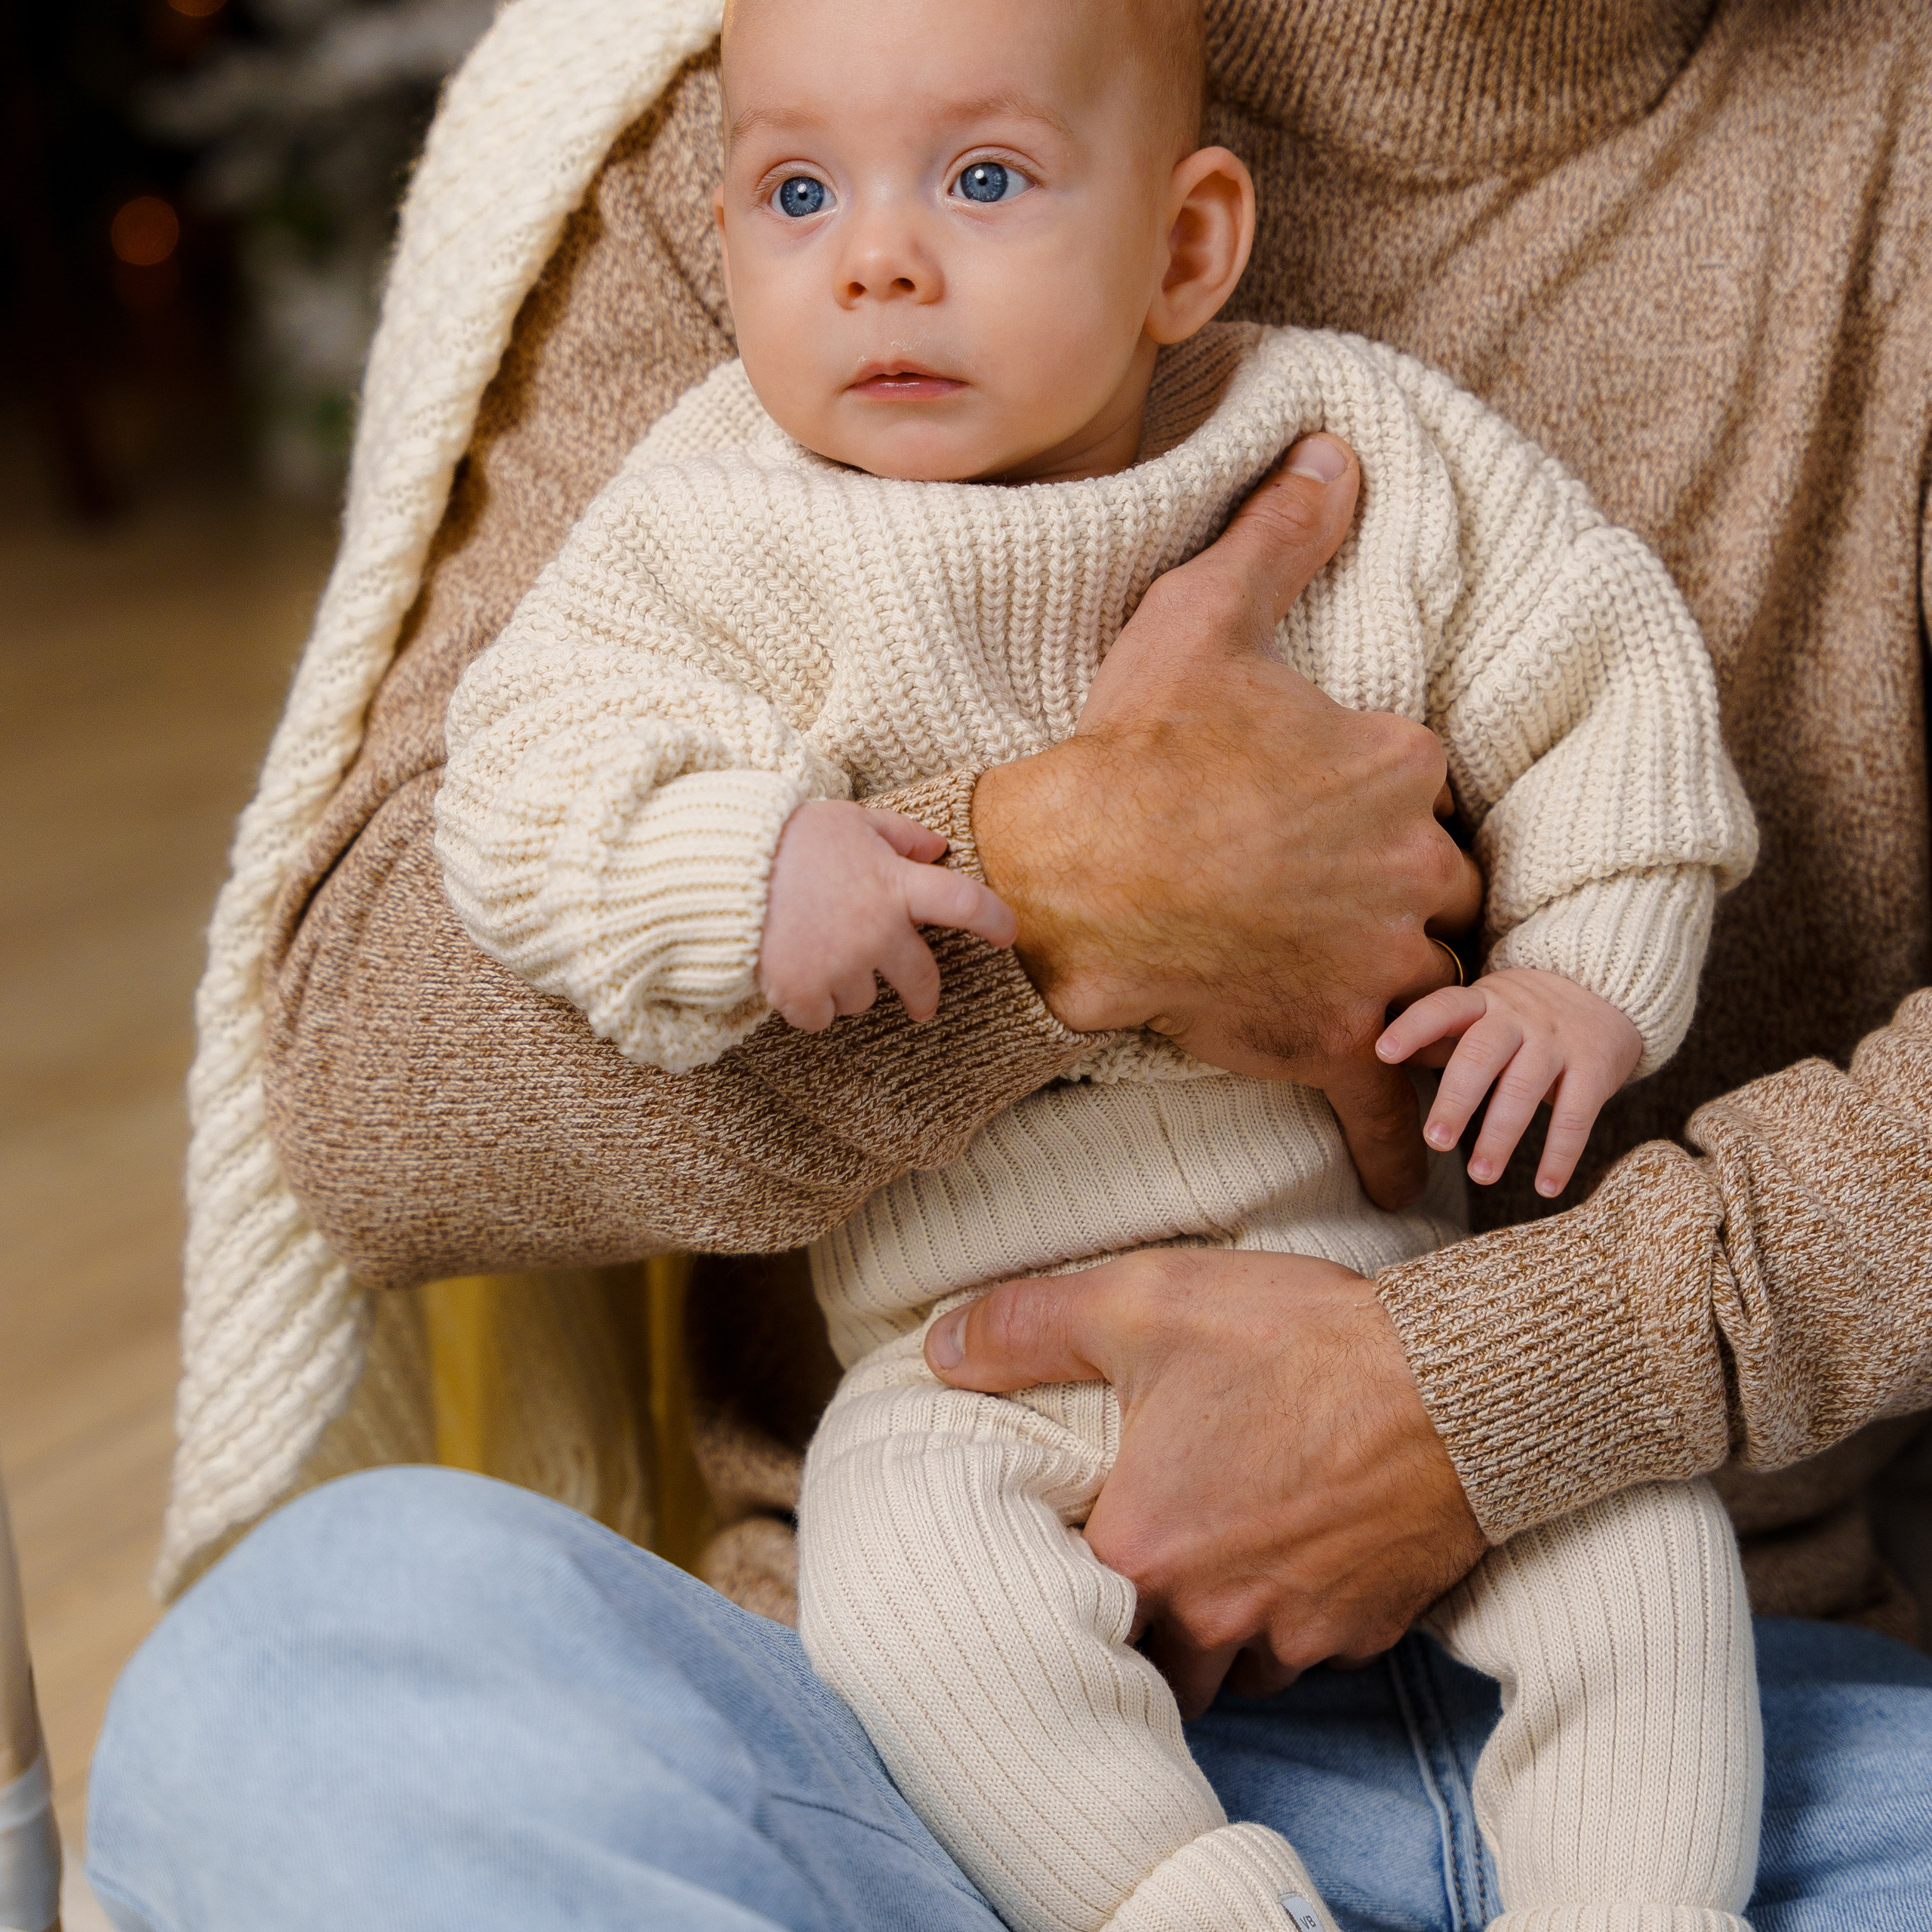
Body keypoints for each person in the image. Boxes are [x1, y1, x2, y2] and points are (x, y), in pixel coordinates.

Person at [87, 2, 1932, 1929]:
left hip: (1737, 1658)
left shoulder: (1351, 435)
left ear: (1190, 243)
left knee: (1633, 1556)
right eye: (795, 199)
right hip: (929, 1665)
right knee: (292, 1691)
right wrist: (1027, 897)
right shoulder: (731, 361)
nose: (875, 253)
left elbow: (1598, 690)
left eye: (983, 183)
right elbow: (439, 950)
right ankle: (1173, 1901)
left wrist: (1568, 1051)